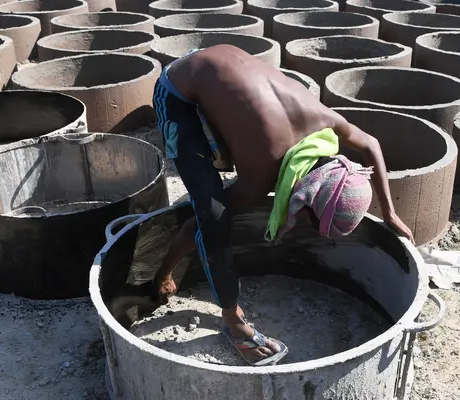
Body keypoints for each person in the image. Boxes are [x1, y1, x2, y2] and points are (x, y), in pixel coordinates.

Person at [151, 45, 414, 366]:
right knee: (212, 212)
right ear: (303, 199)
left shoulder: (327, 123)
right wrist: (224, 306)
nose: (306, 231)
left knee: (222, 166)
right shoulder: (263, 169)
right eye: (309, 223)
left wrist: (390, 213)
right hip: (178, 90)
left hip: (215, 62)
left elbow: (370, 144)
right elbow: (205, 224)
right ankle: (223, 317)